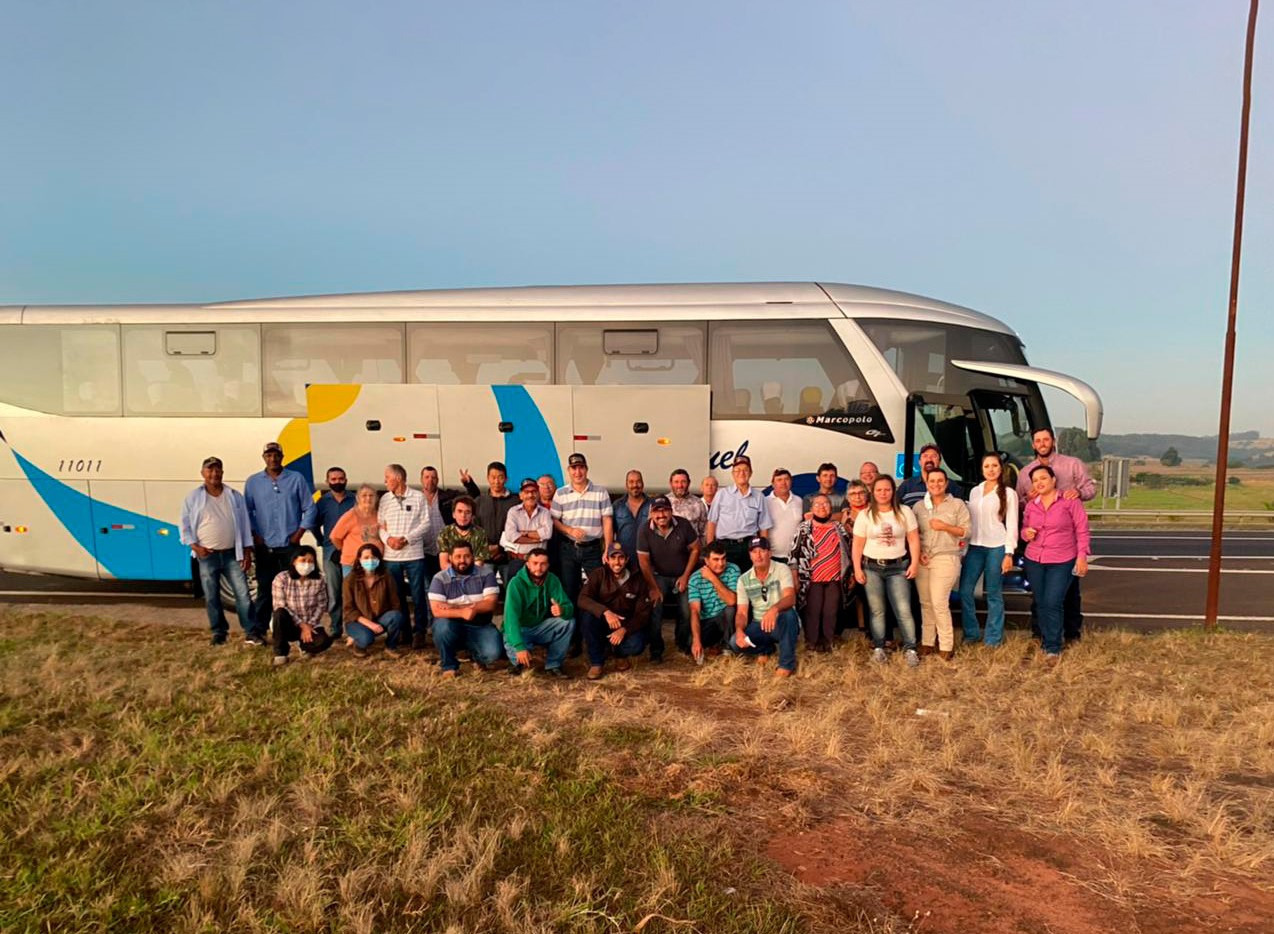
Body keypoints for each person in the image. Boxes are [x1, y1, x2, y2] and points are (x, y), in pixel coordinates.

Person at [1016, 427, 1096, 642]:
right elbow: (1020, 505)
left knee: (1068, 594)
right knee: (1040, 595)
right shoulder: (1026, 473)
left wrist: (1078, 493)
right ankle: (1041, 633)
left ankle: (1071, 633)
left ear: (1053, 441)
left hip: (1065, 544)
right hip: (1037, 542)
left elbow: (1090, 489)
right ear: (1033, 445)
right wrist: (1028, 500)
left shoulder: (1072, 465)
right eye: (1038, 441)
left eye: (1046, 439)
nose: (1042, 443)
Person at [179, 456, 256, 645]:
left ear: (222, 472)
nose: (214, 473)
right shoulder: (193, 498)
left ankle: (251, 632)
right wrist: (195, 547)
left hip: (232, 554)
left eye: (217, 469)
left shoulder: (234, 495)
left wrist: (246, 551)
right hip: (207, 556)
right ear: (203, 473)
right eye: (210, 470)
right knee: (212, 596)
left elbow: (245, 524)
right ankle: (219, 632)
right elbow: (184, 526)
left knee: (243, 595)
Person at [244, 441, 316, 640]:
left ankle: (296, 631)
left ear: (282, 457)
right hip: (265, 546)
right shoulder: (253, 482)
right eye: (269, 455)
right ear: (264, 457)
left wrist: (299, 532)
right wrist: (254, 534)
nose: (273, 459)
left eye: (276, 455)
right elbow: (247, 511)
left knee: (295, 590)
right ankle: (258, 632)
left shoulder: (296, 479)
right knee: (265, 590)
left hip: (290, 547)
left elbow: (309, 507)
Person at [1022, 465, 1090, 664]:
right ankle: (1045, 641)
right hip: (1035, 559)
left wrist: (1082, 556)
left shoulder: (1069, 502)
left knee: (1053, 602)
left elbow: (1082, 530)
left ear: (1053, 480)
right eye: (1035, 480)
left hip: (1062, 559)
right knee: (1041, 602)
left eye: (1043, 478)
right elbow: (1024, 529)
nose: (1039, 483)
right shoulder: (1031, 505)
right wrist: (1027, 533)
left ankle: (1053, 647)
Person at [852, 476, 922, 667]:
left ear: (893, 491)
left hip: (898, 567)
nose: (883, 493)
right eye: (879, 490)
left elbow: (914, 539)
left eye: (887, 490)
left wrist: (914, 563)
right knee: (877, 610)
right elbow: (858, 544)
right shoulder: (865, 515)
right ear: (873, 493)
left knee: (903, 609)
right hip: (872, 567)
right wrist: (857, 568)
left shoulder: (904, 512)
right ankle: (879, 648)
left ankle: (911, 649)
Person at [959, 453, 1019, 647]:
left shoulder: (1009, 493)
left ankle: (993, 638)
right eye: (987, 466)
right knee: (965, 591)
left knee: (993, 593)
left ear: (1000, 468)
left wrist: (1009, 553)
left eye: (994, 466)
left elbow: (1012, 525)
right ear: (982, 469)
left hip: (997, 547)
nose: (991, 469)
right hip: (975, 547)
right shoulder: (975, 492)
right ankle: (971, 633)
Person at [912, 469, 971, 661]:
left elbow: (967, 531)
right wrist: (919, 553)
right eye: (932, 481)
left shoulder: (957, 504)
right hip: (924, 559)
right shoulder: (919, 506)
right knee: (926, 603)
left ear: (946, 484)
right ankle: (928, 642)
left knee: (939, 602)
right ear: (927, 483)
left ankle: (946, 645)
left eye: (940, 481)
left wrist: (944, 526)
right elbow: (914, 535)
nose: (936, 484)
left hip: (946, 557)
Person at [550, 453, 613, 625]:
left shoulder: (600, 492)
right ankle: (574, 637)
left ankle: (596, 632)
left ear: (586, 469)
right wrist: (568, 529)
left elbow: (607, 520)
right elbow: (554, 520)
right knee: (569, 592)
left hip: (593, 549)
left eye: (581, 467)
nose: (578, 472)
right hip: (569, 549)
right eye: (574, 468)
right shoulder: (561, 493)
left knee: (596, 591)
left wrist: (608, 547)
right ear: (569, 471)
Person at [636, 495, 700, 662]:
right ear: (651, 514)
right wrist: (653, 587)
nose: (661, 515)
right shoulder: (644, 530)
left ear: (671, 511)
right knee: (655, 609)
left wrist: (686, 575)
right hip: (658, 576)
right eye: (657, 511)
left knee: (686, 610)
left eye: (665, 510)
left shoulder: (684, 524)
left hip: (682, 574)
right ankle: (656, 649)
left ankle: (682, 643)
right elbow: (643, 561)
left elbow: (695, 549)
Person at [578, 542, 654, 679]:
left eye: (621, 558)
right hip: (603, 621)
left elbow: (643, 613)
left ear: (627, 559)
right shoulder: (598, 574)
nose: (617, 562)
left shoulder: (638, 578)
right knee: (587, 617)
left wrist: (624, 630)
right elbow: (583, 599)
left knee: (637, 645)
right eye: (613, 558)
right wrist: (606, 612)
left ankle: (619, 654)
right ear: (607, 559)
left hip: (624, 624)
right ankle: (596, 662)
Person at [429, 540, 502, 677]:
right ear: (450, 558)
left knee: (493, 654)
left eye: (467, 556)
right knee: (442, 627)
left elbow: (490, 603)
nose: (462, 560)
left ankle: (475, 656)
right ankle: (449, 665)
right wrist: (463, 611)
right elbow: (437, 610)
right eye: (458, 556)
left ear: (473, 556)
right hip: (451, 623)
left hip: (480, 624)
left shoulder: (486, 574)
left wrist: (452, 606)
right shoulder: (439, 578)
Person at [790, 493, 853, 653]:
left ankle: (828, 641)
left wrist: (850, 573)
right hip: (812, 578)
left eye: (825, 504)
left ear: (831, 508)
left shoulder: (839, 528)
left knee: (831, 611)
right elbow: (794, 553)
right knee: (813, 610)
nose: (822, 507)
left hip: (834, 577)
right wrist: (795, 577)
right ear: (811, 509)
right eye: (817, 504)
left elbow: (849, 550)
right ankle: (812, 642)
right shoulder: (804, 528)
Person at [378, 464, 431, 650]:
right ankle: (404, 632)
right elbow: (380, 526)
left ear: (398, 478)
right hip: (391, 557)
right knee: (397, 597)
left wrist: (407, 539)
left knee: (418, 596)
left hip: (414, 555)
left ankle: (420, 632)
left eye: (387, 477)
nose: (385, 482)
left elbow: (426, 524)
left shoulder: (418, 497)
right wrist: (389, 540)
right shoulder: (384, 500)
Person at [730, 537, 800, 677]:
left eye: (762, 550)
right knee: (735, 643)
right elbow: (742, 613)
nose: (758, 555)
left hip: (780, 620)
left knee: (789, 615)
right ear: (750, 555)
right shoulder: (744, 579)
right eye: (754, 552)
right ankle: (766, 649)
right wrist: (739, 630)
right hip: (759, 624)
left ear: (770, 553)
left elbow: (790, 598)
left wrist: (774, 609)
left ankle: (786, 664)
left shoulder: (782, 569)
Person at [502, 547, 574, 678]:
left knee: (567, 621)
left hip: (540, 626)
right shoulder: (516, 583)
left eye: (543, 564)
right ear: (527, 564)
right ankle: (517, 662)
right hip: (520, 628)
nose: (538, 568)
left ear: (548, 565)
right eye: (535, 563)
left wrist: (562, 610)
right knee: (520, 660)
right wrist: (519, 647)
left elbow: (568, 607)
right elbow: (510, 618)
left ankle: (554, 665)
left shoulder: (552, 580)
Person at [270, 545, 335, 665]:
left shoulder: (319, 580)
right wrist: (302, 625)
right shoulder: (281, 578)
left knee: (324, 641)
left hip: (310, 623)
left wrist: (309, 625)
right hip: (288, 622)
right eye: (303, 560)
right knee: (279, 613)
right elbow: (280, 605)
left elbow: (321, 605)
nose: (307, 564)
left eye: (310, 561)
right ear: (294, 561)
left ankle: (305, 646)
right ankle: (281, 653)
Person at [705, 456, 771, 571]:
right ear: (733, 474)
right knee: (726, 581)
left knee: (749, 582)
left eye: (745, 470)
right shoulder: (722, 494)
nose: (741, 473)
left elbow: (764, 527)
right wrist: (710, 550)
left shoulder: (759, 496)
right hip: (725, 547)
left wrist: (763, 550)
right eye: (737, 470)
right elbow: (712, 522)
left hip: (750, 546)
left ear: (750, 473)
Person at [342, 543, 406, 659]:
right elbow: (349, 610)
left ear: (379, 559)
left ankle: (391, 646)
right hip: (357, 621)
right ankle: (358, 644)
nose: (370, 561)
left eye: (373, 557)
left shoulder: (386, 576)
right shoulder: (350, 580)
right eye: (366, 558)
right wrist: (370, 624)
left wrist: (393, 624)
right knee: (367, 638)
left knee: (396, 616)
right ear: (359, 560)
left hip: (380, 618)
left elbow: (395, 602)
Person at [314, 466, 355, 637]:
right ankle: (335, 627)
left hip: (352, 552)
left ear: (346, 480)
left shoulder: (354, 500)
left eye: (341, 479)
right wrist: (321, 540)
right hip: (331, 552)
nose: (337, 482)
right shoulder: (322, 503)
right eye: (334, 479)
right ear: (327, 481)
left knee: (351, 591)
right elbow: (314, 524)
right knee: (334, 592)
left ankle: (353, 627)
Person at [687, 541, 740, 662]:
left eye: (723, 559)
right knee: (691, 641)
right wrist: (696, 640)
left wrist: (712, 578)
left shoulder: (733, 569)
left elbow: (732, 601)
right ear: (706, 561)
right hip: (708, 620)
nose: (721, 563)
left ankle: (728, 647)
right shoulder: (695, 578)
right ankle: (716, 644)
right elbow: (695, 611)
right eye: (716, 559)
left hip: (727, 619)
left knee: (730, 609)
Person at [501, 477, 554, 580]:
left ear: (538, 494)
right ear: (521, 495)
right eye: (526, 492)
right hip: (518, 561)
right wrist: (537, 538)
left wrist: (523, 533)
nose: (530, 495)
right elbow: (512, 536)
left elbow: (547, 534)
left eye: (534, 491)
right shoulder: (513, 512)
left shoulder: (545, 512)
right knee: (514, 593)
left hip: (539, 563)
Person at [329, 485, 384, 577]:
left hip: (375, 562)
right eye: (364, 495)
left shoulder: (380, 515)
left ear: (376, 498)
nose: (368, 498)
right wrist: (348, 549)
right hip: (352, 563)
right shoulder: (350, 515)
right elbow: (334, 537)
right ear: (358, 498)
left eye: (371, 495)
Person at [475, 460, 518, 573]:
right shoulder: (480, 501)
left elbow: (519, 528)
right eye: (493, 477)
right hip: (485, 557)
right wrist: (487, 549)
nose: (496, 481)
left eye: (500, 477)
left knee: (510, 588)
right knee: (485, 589)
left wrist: (500, 548)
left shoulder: (516, 501)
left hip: (509, 556)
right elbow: (475, 528)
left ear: (506, 479)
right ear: (487, 478)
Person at [898, 443, 964, 507]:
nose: (929, 459)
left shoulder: (953, 486)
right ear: (919, 462)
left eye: (934, 456)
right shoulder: (907, 485)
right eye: (925, 456)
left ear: (939, 462)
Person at [437, 496, 491, 572]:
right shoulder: (445, 533)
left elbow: (479, 564)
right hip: (450, 576)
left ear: (472, 516)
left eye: (467, 512)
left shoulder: (480, 533)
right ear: (453, 514)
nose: (463, 516)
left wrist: (466, 577)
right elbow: (444, 564)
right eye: (459, 511)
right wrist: (459, 576)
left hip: (473, 576)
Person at [765, 468, 804, 563]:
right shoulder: (765, 502)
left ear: (791, 482)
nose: (783, 483)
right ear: (773, 484)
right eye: (779, 480)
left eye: (786, 479)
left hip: (795, 557)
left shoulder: (799, 501)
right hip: (773, 557)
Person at [612, 469, 651, 559]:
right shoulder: (617, 505)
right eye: (631, 482)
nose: (635, 485)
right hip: (623, 559)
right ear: (626, 485)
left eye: (638, 482)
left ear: (643, 484)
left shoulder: (652, 505)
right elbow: (610, 532)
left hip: (648, 559)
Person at [668, 468, 708, 542]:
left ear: (689, 483)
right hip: (668, 549)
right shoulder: (663, 503)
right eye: (676, 482)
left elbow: (704, 532)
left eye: (683, 482)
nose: (680, 485)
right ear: (671, 483)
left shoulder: (698, 503)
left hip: (693, 550)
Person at [537, 473, 564, 577]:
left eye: (550, 484)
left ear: (555, 487)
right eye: (542, 484)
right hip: (540, 549)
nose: (546, 487)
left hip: (561, 551)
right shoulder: (533, 507)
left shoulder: (563, 505)